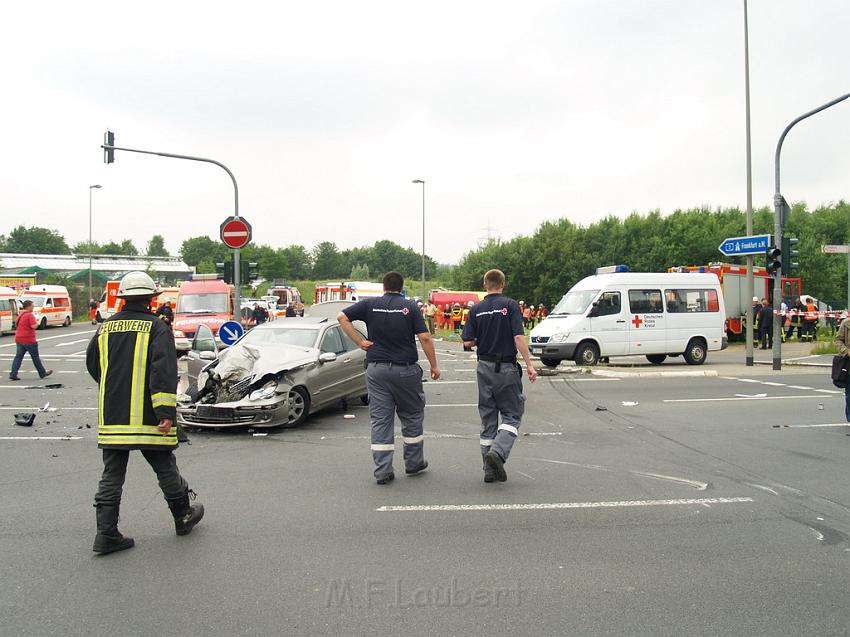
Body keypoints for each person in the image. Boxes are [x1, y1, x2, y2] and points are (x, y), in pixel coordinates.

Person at [86, 271, 204, 555]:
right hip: (150, 415)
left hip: (113, 415)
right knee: (164, 465)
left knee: (112, 474)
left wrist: (115, 389)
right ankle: (182, 516)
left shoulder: (105, 328)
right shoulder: (157, 328)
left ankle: (106, 534)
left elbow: (94, 365)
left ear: (123, 298)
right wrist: (165, 411)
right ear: (152, 299)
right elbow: (163, 371)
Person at [338, 271, 440, 485]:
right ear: (401, 288)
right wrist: (434, 365)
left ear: (383, 287)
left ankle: (382, 471)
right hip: (405, 370)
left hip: (376, 369)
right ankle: (413, 463)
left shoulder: (369, 305)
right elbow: (424, 337)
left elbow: (342, 317)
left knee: (381, 419)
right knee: (412, 414)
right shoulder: (411, 306)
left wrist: (360, 342)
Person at [462, 269, 538, 483]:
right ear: (502, 284)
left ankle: (489, 470)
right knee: (512, 414)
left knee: (488, 418)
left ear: (485, 284)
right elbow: (518, 337)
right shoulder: (510, 305)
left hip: (483, 366)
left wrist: (482, 338)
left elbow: (467, 342)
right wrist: (530, 365)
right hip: (505, 367)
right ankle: (498, 452)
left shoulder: (476, 309)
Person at [9, 300, 53, 381]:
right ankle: (42, 373)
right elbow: (33, 326)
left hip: (19, 338)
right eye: (32, 306)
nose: (33, 307)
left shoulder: (20, 314)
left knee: (18, 357)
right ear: (28, 306)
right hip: (29, 339)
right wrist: (37, 324)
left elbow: (16, 324)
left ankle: (13, 373)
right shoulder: (30, 315)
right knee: (35, 357)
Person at [835, 318, 850, 422]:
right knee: (849, 394)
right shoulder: (846, 323)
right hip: (848, 364)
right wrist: (846, 351)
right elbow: (838, 340)